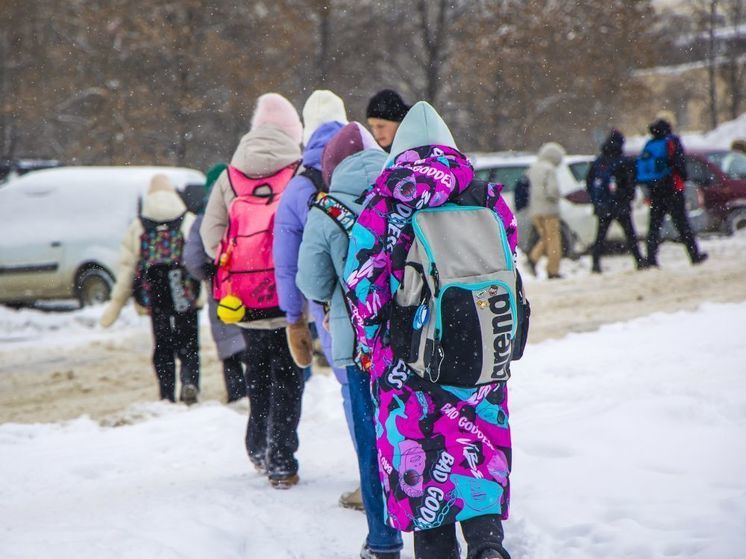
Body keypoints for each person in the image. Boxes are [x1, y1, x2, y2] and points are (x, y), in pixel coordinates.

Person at [342, 102, 516, 559]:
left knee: (423, 472)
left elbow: (362, 283)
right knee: (477, 455)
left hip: (408, 364)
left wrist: (374, 340)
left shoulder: (384, 203)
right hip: (480, 353)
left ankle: (436, 549)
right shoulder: (486, 197)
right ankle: (487, 545)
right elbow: (507, 266)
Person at [297, 122, 403, 559]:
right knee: (418, 437)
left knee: (372, 441)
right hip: (409, 344)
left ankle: (382, 539)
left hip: (361, 350)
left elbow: (313, 283)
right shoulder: (401, 195)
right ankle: (435, 532)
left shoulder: (326, 210)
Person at [200, 93, 305, 488]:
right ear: (293, 132)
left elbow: (210, 237)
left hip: (243, 300)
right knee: (290, 378)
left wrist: (239, 261)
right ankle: (282, 459)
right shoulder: (298, 171)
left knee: (257, 372)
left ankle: (257, 446)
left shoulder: (230, 176)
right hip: (286, 294)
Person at [272, 90, 363, 507]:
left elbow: (288, 266)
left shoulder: (297, 189)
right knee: (393, 391)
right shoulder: (376, 170)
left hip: (334, 311)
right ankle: (407, 472)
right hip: (387, 300)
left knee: (353, 389)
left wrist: (295, 318)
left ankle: (373, 483)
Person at [101, 174, 203, 404]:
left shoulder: (139, 226)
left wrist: (115, 306)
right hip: (184, 291)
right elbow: (199, 259)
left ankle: (166, 394)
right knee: (189, 344)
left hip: (155, 293)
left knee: (162, 345)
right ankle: (190, 382)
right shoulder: (188, 220)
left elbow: (128, 268)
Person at [184, 163, 247, 403]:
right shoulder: (246, 207)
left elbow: (191, 258)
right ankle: (258, 395)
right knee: (253, 345)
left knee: (228, 347)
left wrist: (209, 274)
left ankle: (237, 396)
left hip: (221, 290)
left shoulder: (203, 219)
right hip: (253, 285)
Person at [637, 116, 708, 267]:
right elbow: (679, 163)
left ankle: (651, 258)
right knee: (682, 224)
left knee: (654, 226)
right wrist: (682, 177)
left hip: (655, 190)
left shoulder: (650, 144)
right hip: (672, 188)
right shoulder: (671, 141)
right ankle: (694, 255)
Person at [586, 129, 646, 273]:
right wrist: (628, 197)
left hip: (604, 205)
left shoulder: (600, 161)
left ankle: (595, 263)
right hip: (620, 204)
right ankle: (639, 259)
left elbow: (589, 181)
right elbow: (630, 182)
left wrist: (596, 200)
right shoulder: (623, 160)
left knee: (600, 235)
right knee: (630, 234)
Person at [526, 142, 566, 279]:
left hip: (535, 210)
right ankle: (552, 270)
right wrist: (559, 195)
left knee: (545, 238)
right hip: (549, 210)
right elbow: (552, 190)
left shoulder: (534, 168)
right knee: (554, 240)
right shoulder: (550, 169)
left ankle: (533, 258)